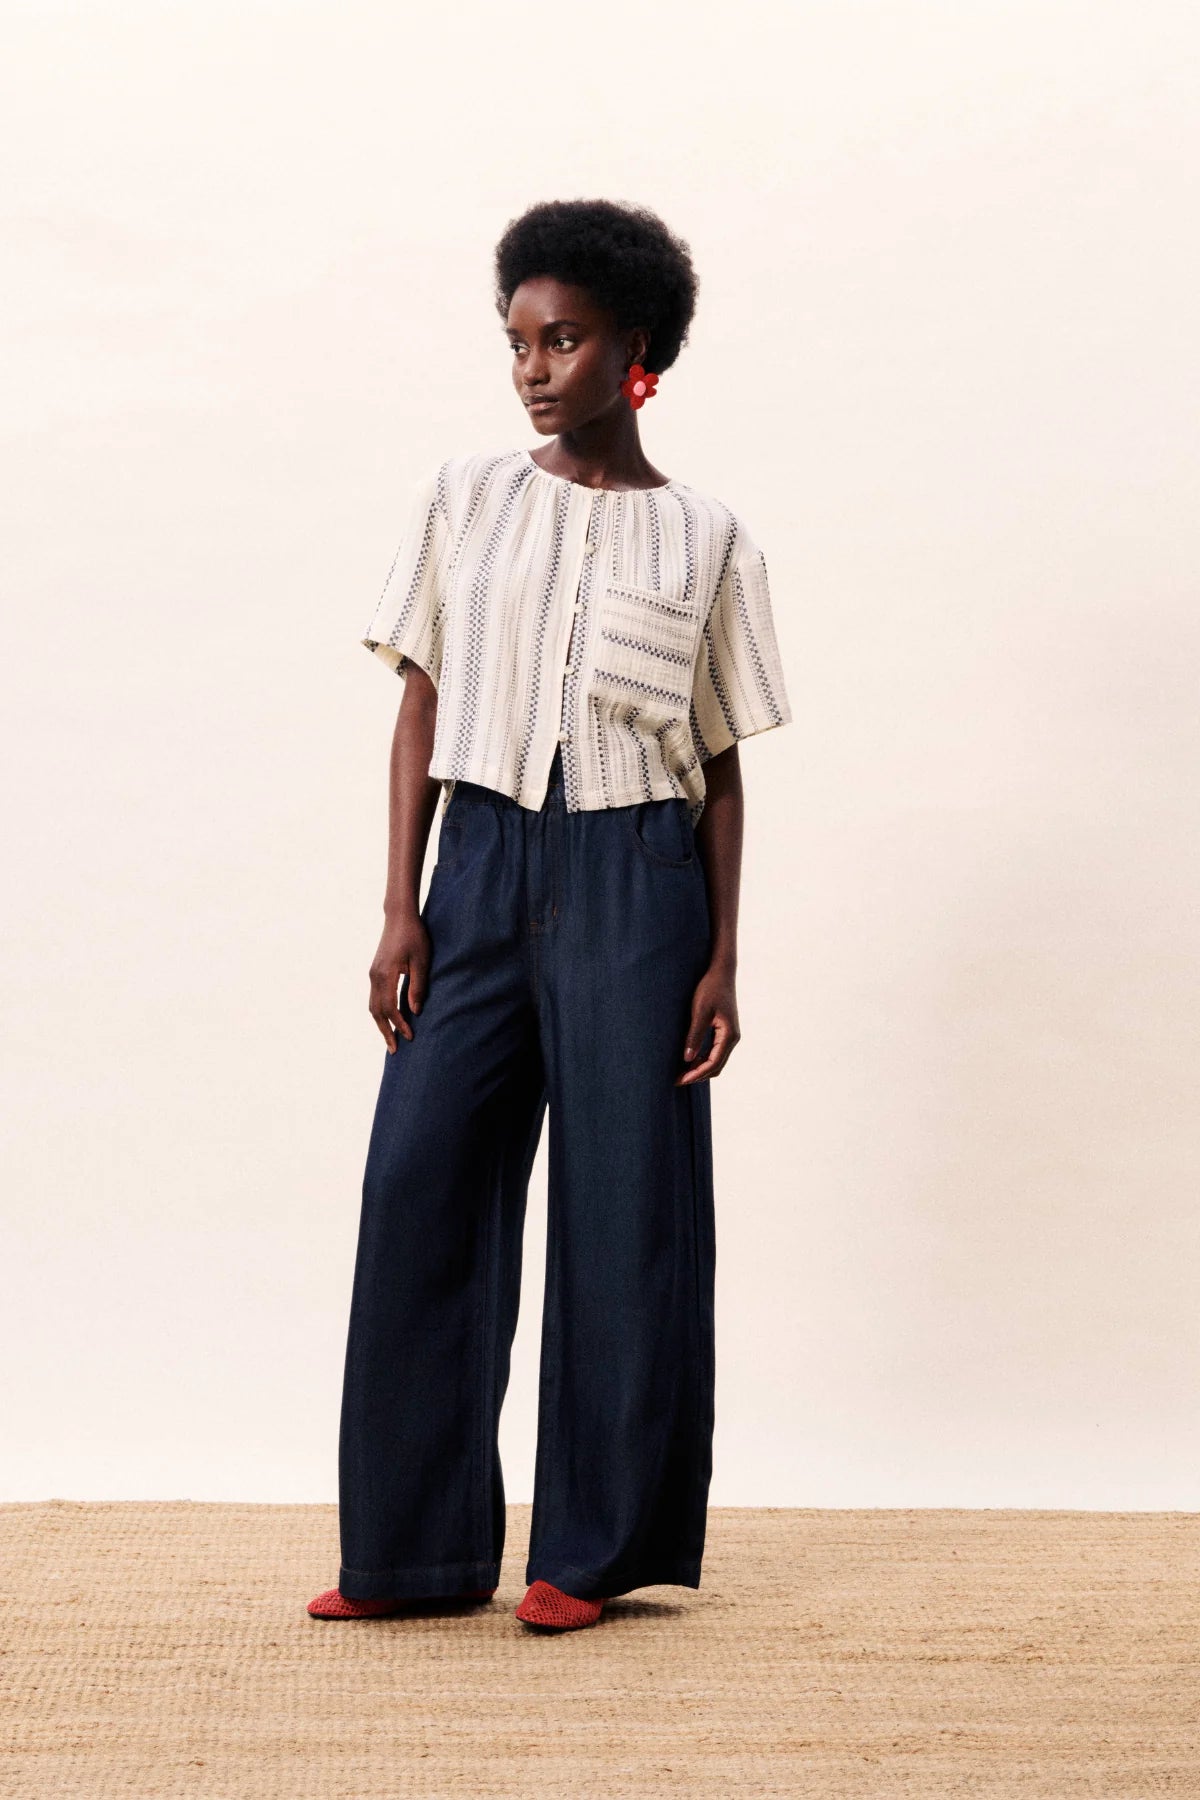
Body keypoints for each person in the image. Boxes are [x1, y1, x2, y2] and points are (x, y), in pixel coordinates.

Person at [308, 198, 792, 1634]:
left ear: (635, 348)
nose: (531, 366)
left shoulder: (710, 538)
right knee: (421, 1188)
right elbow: (422, 706)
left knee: (627, 1212)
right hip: (480, 870)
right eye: (517, 339)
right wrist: (402, 906)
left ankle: (592, 1552)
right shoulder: (468, 496)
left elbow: (717, 766)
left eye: (563, 337)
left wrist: (721, 951)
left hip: (639, 881)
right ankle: (411, 1551)